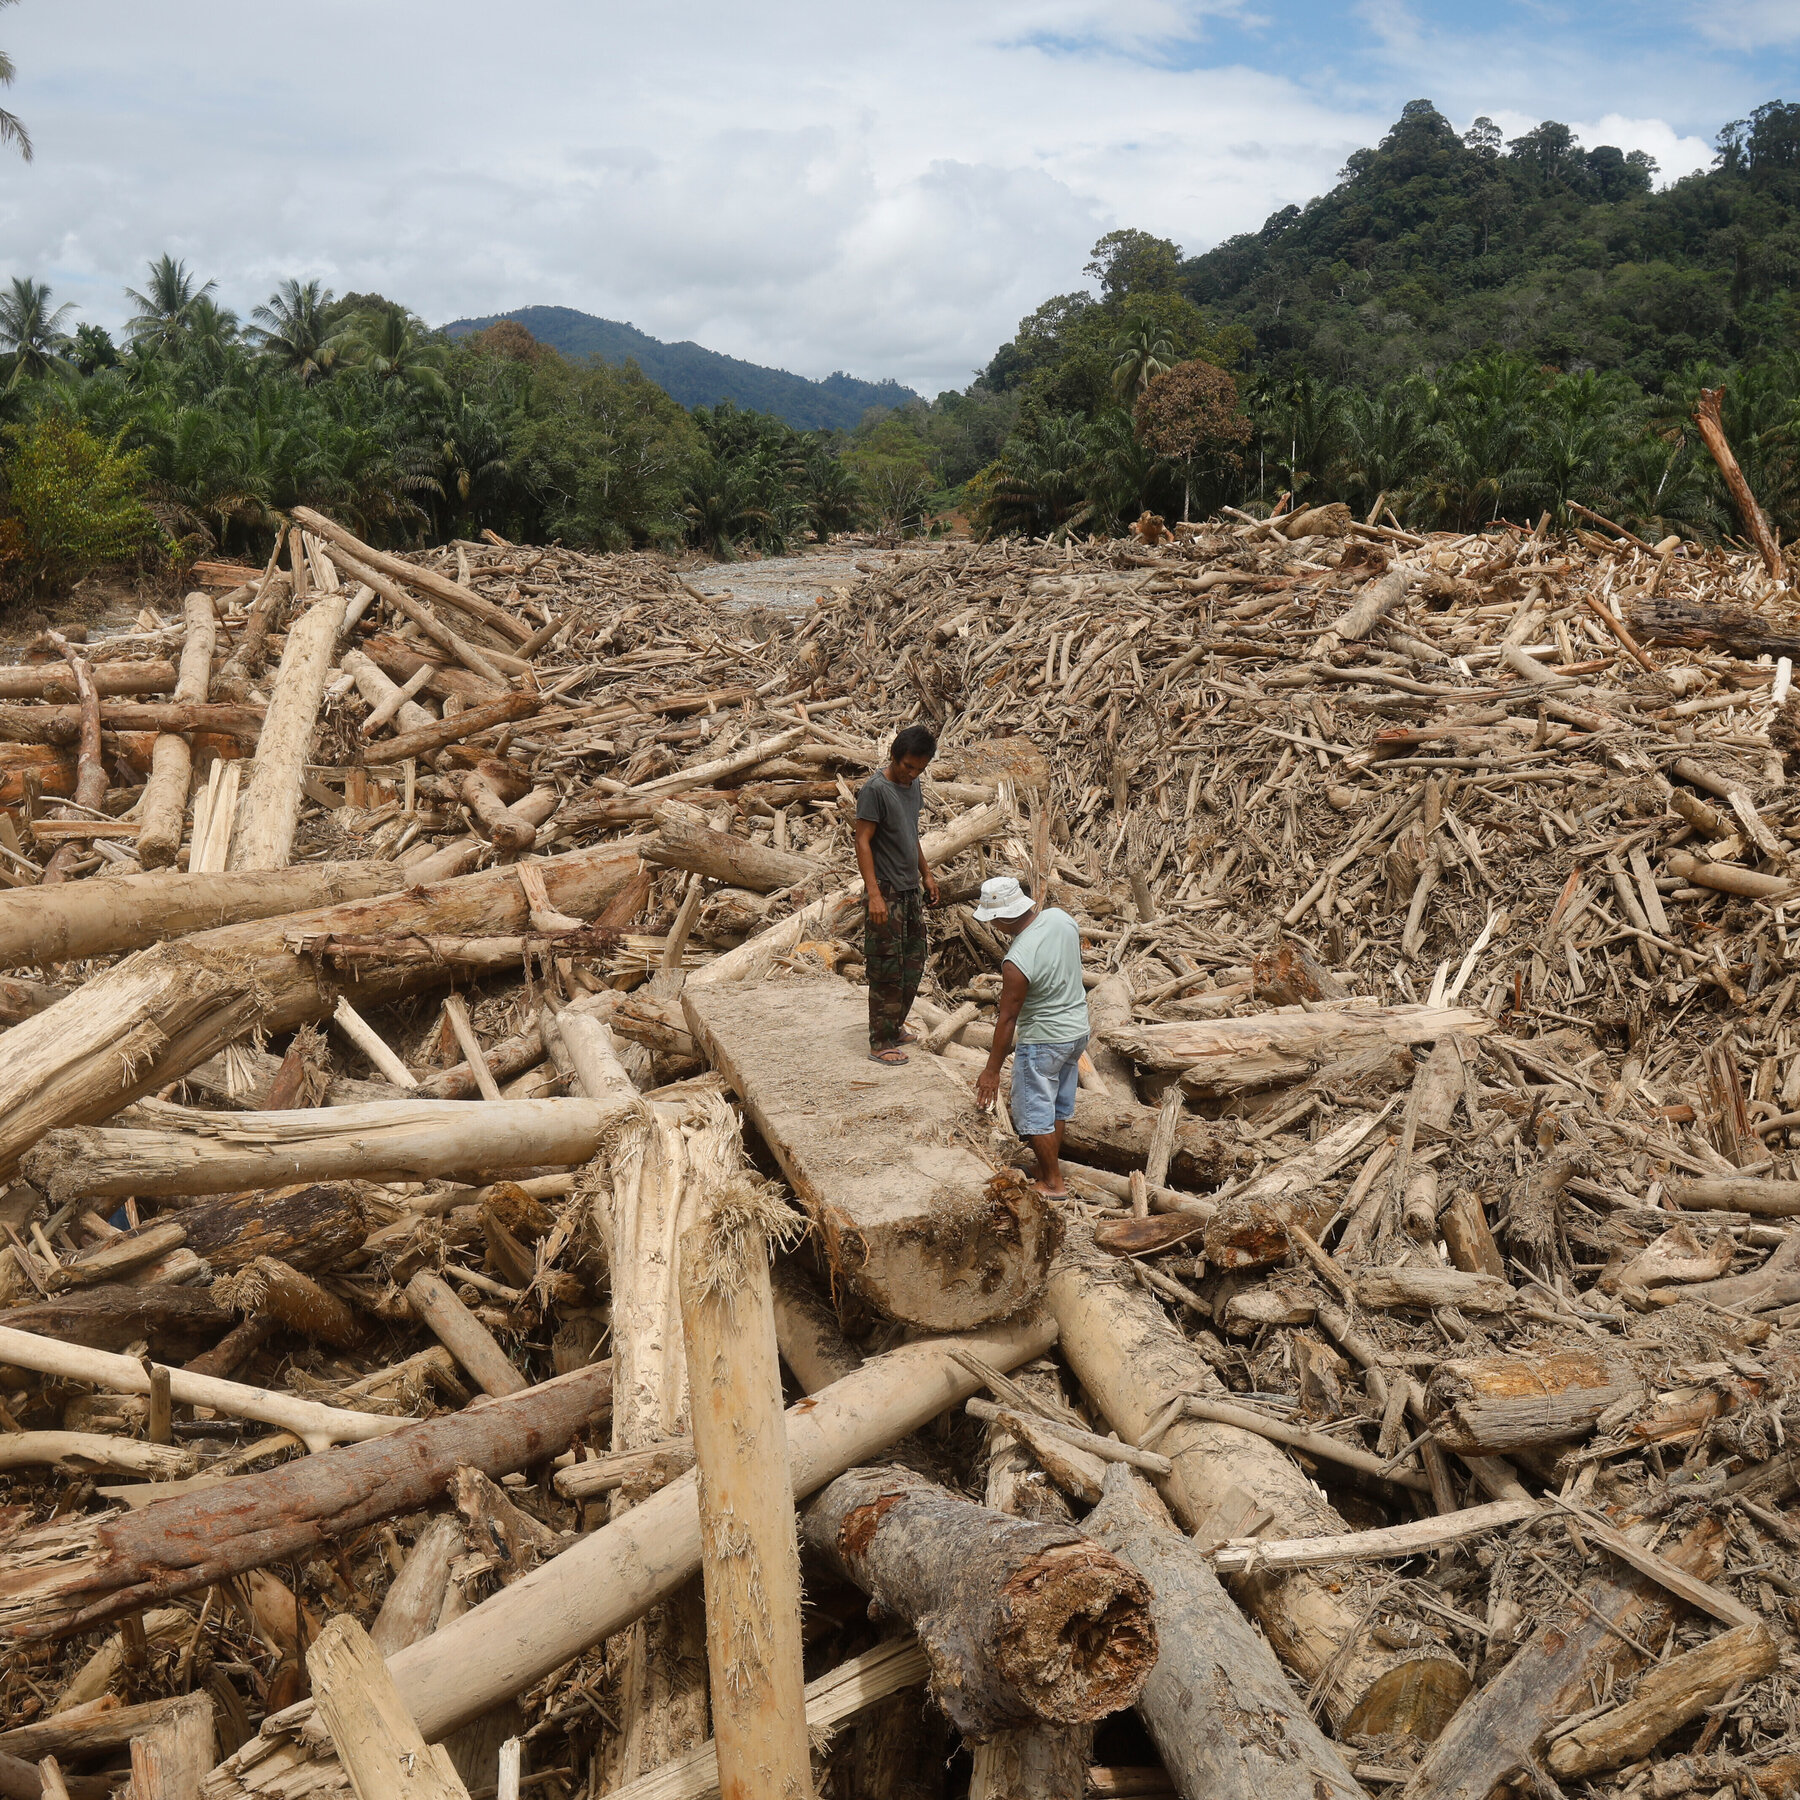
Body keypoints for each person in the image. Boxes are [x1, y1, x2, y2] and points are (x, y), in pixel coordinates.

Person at [971, 874, 1090, 1197]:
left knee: (1034, 1110)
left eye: (992, 919)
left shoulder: (1017, 961)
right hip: (1076, 1030)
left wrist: (991, 1070)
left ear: (1001, 918)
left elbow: (1008, 1018)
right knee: (1057, 1106)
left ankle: (1052, 1182)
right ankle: (1046, 1166)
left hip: (1044, 1039)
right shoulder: (1060, 919)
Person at [854, 723, 941, 1064]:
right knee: (886, 967)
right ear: (894, 756)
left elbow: (910, 833)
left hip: (909, 888)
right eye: (907, 766)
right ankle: (880, 1040)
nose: (912, 774)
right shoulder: (875, 790)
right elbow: (862, 841)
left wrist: (927, 874)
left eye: (919, 769)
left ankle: (895, 1024)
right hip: (886, 890)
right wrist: (874, 895)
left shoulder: (913, 785)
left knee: (913, 963)